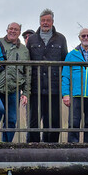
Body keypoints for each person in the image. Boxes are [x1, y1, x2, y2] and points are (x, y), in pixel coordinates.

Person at [27, 9, 68, 142]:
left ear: (52, 22)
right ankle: (33, 146)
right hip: (35, 85)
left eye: (48, 20)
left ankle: (52, 145)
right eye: (43, 20)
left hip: (54, 86)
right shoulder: (32, 39)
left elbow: (64, 61)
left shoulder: (61, 38)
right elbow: (27, 61)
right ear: (39, 21)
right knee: (34, 119)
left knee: (54, 118)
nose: (45, 23)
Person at [0, 22, 30, 143]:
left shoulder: (24, 50)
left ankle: (6, 145)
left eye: (16, 30)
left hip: (14, 89)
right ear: (7, 30)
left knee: (11, 119)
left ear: (19, 32)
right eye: (11, 29)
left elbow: (28, 72)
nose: (13, 31)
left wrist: (26, 92)